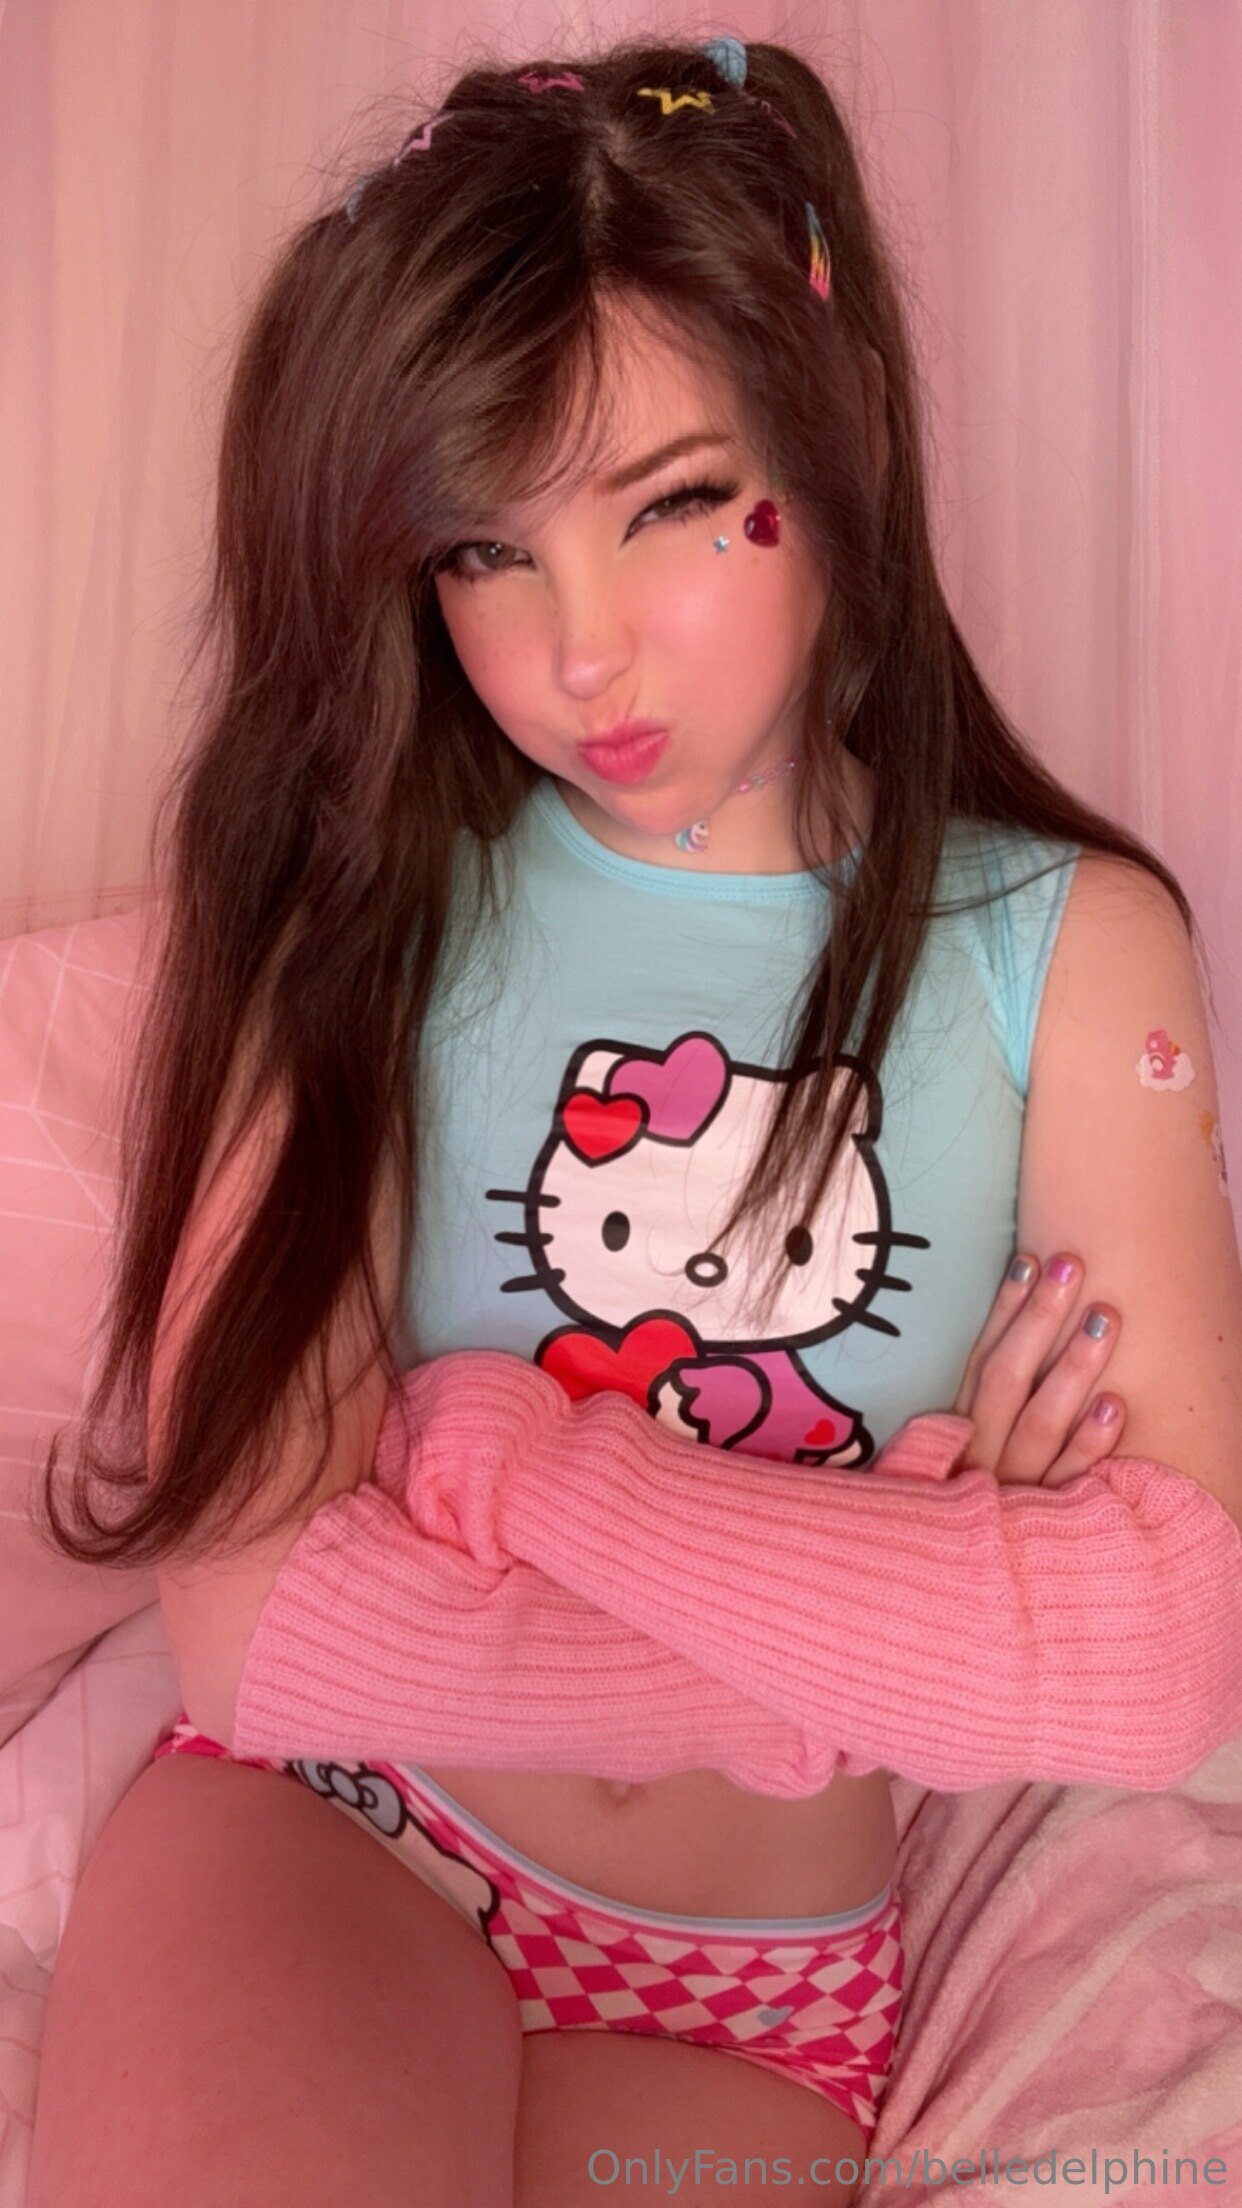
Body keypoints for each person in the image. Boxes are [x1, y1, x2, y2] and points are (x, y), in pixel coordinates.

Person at [28, 36, 1241, 2208]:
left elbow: (1153, 1660)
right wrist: (901, 1624)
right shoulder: (357, 908)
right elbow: (275, 1635)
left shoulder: (1071, 952)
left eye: (672, 503)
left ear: (838, 429)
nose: (579, 651)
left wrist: (519, 1469)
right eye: (486, 550)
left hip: (751, 1997)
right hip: (336, 1831)